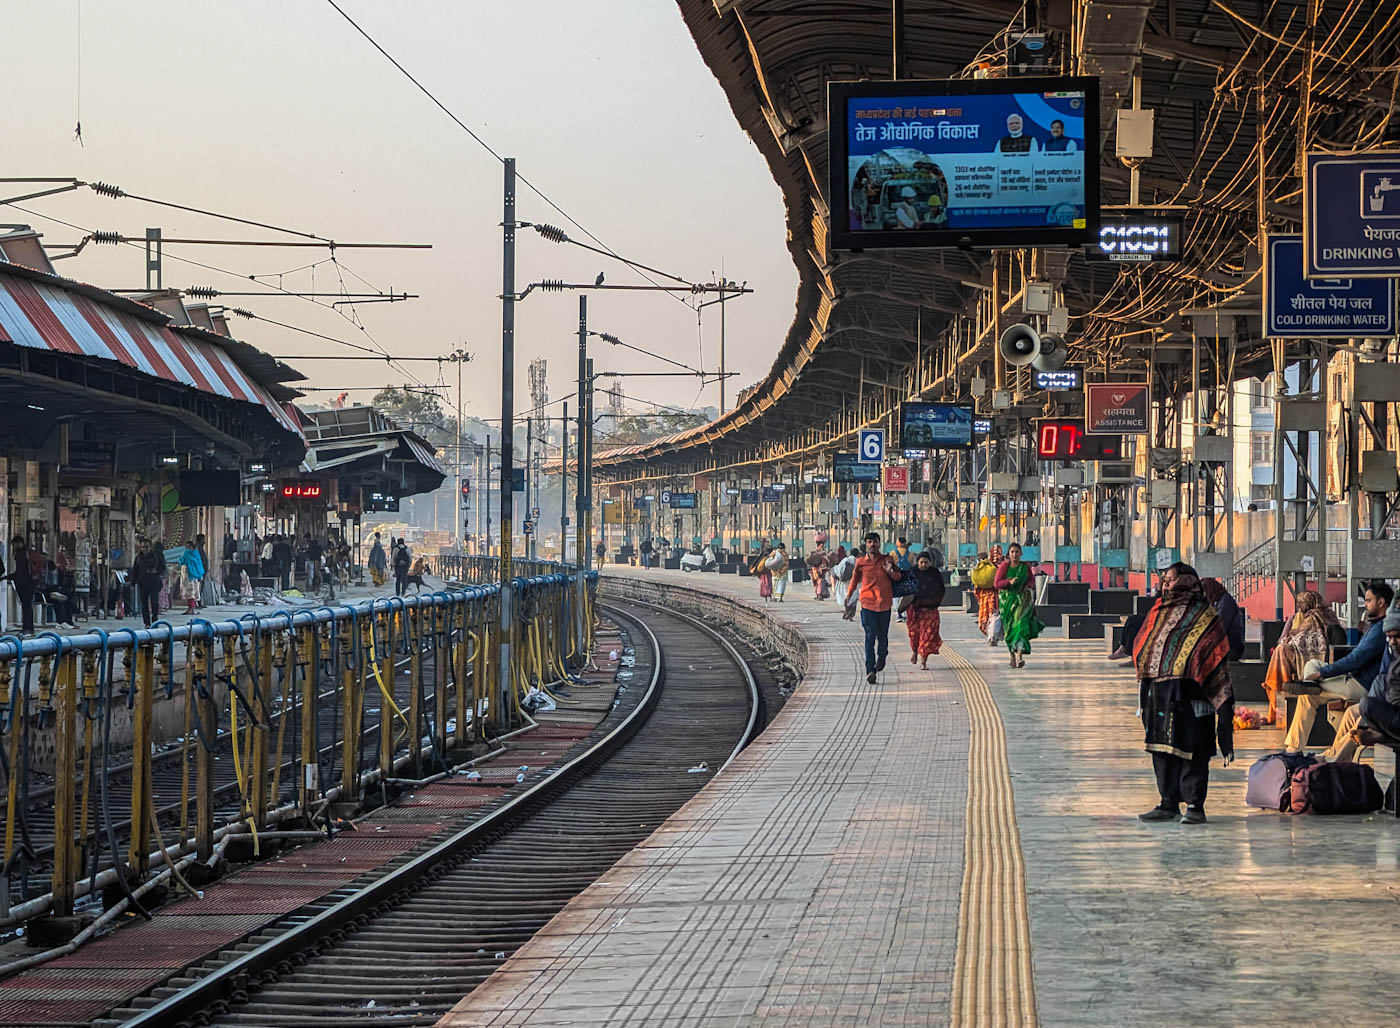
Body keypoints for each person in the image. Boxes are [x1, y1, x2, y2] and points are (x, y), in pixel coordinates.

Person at [1134, 562, 1234, 824]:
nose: (1164, 585)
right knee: (1161, 750)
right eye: (1164, 580)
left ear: (1186, 582)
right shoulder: (1158, 612)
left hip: (1193, 696)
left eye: (1170, 580)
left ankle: (1194, 805)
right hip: (1159, 695)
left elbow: (1215, 655)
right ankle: (1167, 802)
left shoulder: (1205, 616)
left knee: (1193, 750)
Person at [1281, 581, 1393, 753]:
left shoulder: (1381, 630)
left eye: (1369, 600)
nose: (1365, 604)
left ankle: (1293, 749)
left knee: (1307, 695)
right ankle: (1309, 683)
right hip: (1353, 677)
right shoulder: (1376, 626)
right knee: (1312, 664)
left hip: (1360, 684)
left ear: (1381, 602)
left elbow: (1355, 660)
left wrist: (1322, 673)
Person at [1262, 590, 1345, 725]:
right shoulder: (1331, 617)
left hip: (1309, 664)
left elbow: (1286, 640)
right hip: (1331, 661)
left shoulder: (1303, 619)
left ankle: (1281, 690)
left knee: (1280, 651)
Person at [843, 532, 901, 685]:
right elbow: (854, 580)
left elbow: (898, 577)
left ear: (879, 543)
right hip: (868, 604)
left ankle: (882, 656)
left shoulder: (888, 560)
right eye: (869, 542)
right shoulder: (861, 562)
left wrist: (890, 571)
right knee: (870, 636)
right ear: (866, 544)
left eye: (874, 542)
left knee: (882, 637)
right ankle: (870, 670)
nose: (872, 545)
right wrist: (848, 596)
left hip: (884, 604)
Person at [994, 543, 1043, 668]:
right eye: (1012, 552)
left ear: (1021, 554)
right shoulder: (1004, 567)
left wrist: (1028, 586)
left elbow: (1031, 579)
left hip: (1023, 602)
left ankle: (1019, 656)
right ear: (1008, 554)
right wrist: (1008, 582)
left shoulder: (1025, 567)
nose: (1014, 554)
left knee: (1021, 627)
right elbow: (997, 583)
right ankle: (1012, 656)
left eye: (1017, 552)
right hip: (1007, 603)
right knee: (1010, 630)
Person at [905, 551, 945, 669]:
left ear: (930, 563)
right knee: (914, 634)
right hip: (914, 610)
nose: (923, 565)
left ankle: (923, 661)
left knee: (927, 635)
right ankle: (914, 651)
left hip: (930, 610)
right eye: (921, 562)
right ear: (917, 562)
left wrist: (935, 602)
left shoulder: (935, 573)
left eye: (926, 562)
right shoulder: (912, 572)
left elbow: (941, 590)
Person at [5, 536, 41, 635]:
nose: (14, 546)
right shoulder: (22, 553)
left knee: (26, 606)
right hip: (24, 582)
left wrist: (34, 576)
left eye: (15, 544)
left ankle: (27, 628)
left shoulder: (26, 553)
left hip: (26, 582)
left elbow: (21, 571)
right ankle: (28, 627)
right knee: (26, 606)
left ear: (19, 543)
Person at [134, 538, 166, 628]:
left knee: (154, 602)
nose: (144, 549)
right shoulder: (138, 557)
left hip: (154, 581)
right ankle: (147, 623)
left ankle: (155, 619)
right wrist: (133, 582)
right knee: (144, 604)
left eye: (146, 547)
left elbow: (163, 567)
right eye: (143, 547)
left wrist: (156, 570)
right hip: (142, 582)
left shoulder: (157, 556)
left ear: (150, 547)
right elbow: (135, 570)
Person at [973, 545, 1003, 637]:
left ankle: (990, 634)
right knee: (994, 616)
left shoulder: (984, 567)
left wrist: (978, 595)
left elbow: (976, 585)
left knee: (985, 617)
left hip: (983, 597)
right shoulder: (1001, 567)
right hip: (995, 596)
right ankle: (992, 635)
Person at [177, 540, 204, 616]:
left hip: (192, 577)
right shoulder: (185, 554)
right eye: (186, 547)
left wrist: (199, 575)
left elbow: (198, 564)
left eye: (189, 547)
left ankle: (191, 608)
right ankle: (190, 608)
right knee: (188, 594)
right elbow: (181, 561)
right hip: (186, 577)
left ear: (192, 547)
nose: (187, 549)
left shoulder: (195, 554)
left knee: (191, 594)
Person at [892, 538, 914, 622]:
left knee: (896, 596)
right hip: (907, 576)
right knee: (906, 595)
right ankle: (904, 613)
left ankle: (898, 614)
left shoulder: (893, 553)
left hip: (896, 575)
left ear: (898, 542)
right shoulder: (911, 554)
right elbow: (912, 565)